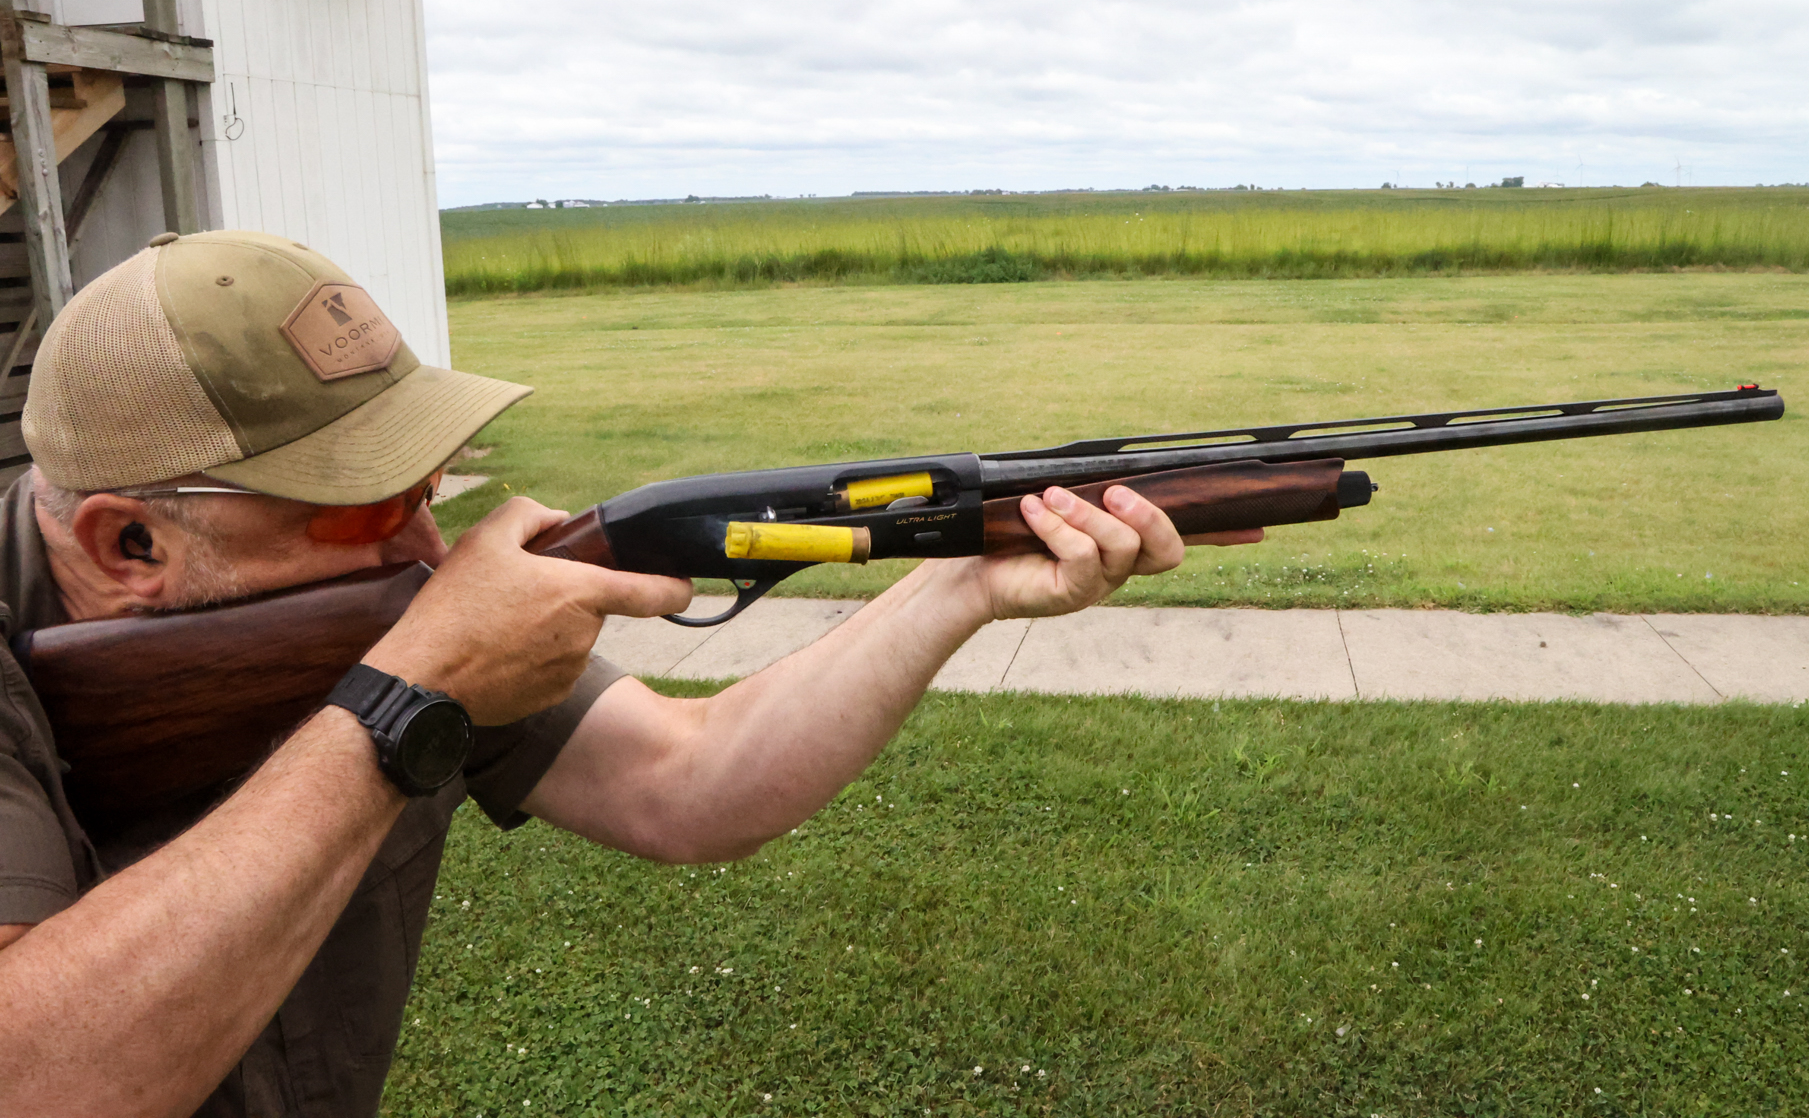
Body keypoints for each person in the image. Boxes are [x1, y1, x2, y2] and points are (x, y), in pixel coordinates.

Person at [0, 230, 1257, 1116]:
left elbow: (686, 782)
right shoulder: (402, 659)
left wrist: (963, 581)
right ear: (131, 543)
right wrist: (399, 704)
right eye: (363, 509)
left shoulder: (383, 623)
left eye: (425, 488)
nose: (427, 548)